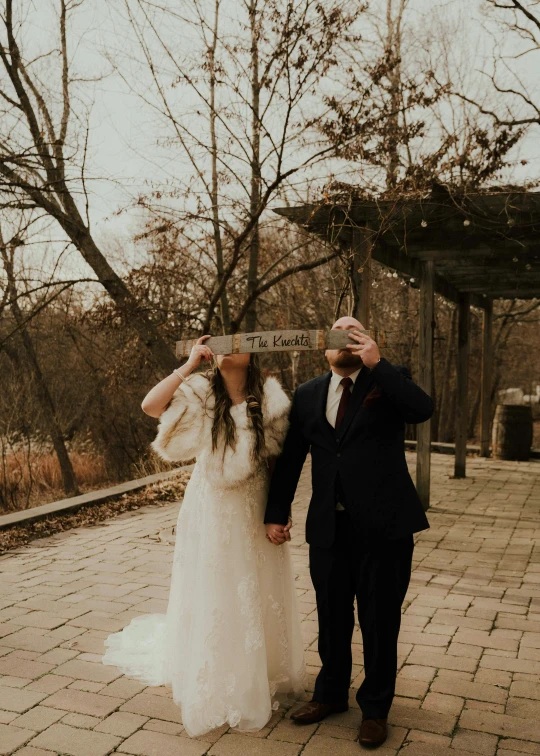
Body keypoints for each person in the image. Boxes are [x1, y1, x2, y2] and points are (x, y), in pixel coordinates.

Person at [101, 336, 306, 737]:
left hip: (254, 501)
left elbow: (281, 462)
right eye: (224, 339)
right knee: (213, 582)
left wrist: (279, 515)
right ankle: (212, 664)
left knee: (253, 583)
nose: (231, 345)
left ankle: (256, 667)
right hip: (210, 502)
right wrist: (189, 364)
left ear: (253, 353)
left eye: (240, 340)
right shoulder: (198, 389)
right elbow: (151, 406)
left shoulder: (272, 398)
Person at [264, 316, 433, 749]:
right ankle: (331, 695)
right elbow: (290, 462)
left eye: (353, 332)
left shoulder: (389, 382)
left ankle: (376, 709)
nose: (346, 339)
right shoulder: (307, 395)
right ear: (325, 347)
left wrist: (378, 364)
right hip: (328, 527)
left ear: (363, 342)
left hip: (385, 527)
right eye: (338, 333)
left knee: (379, 620)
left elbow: (423, 409)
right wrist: (276, 514)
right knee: (332, 617)